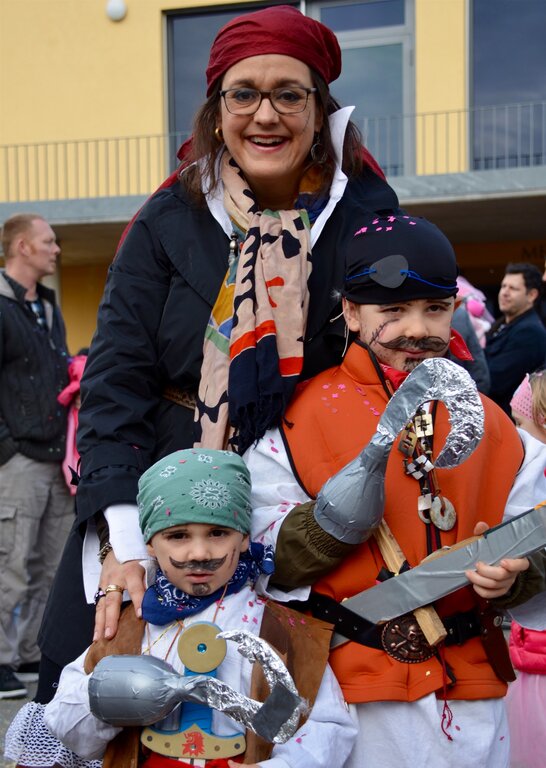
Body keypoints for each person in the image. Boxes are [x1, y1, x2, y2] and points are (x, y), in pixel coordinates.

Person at [35, 4, 400, 704]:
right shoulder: (168, 218)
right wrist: (125, 541)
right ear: (217, 108)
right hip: (163, 491)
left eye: (289, 94)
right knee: (123, 695)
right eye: (244, 94)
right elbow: (114, 383)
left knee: (296, 702)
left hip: (313, 500)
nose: (266, 115)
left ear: (320, 108)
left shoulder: (366, 217)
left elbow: (396, 361)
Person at [243, 212, 546, 768]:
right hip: (349, 698)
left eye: (434, 308)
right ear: (353, 313)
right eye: (393, 309)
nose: (417, 327)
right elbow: (263, 556)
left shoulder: (497, 426)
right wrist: (331, 525)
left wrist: (515, 578)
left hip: (477, 695)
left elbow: (537, 537)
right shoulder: (293, 419)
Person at [5, 448, 356, 768]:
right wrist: (103, 698)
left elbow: (326, 727)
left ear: (245, 537)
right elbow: (67, 728)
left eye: (218, 533)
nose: (199, 553)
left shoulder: (284, 633)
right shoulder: (128, 629)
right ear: (150, 545)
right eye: (178, 536)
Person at [0, 214, 72, 700]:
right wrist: (5, 449)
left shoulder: (47, 307)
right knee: (9, 562)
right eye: (48, 242)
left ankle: (27, 653)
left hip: (56, 461)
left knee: (51, 565)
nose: (56, 250)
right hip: (18, 460)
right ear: (22, 247)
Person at [505, 370, 546, 768]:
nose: (515, 434)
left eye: (520, 424)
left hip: (538, 660)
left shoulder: (534, 477)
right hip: (528, 648)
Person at [485, 263, 546, 414]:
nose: (504, 292)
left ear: (532, 295)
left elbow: (493, 382)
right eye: (503, 286)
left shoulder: (529, 332)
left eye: (513, 288)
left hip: (509, 423)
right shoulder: (501, 325)